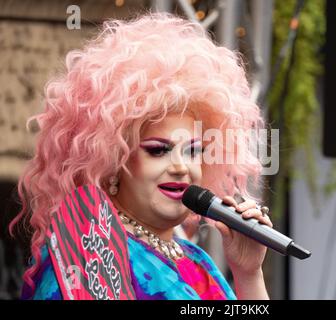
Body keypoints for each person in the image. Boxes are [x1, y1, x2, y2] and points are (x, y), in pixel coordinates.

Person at [10, 12, 272, 300]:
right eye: (158, 150)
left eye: (194, 151)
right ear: (113, 160)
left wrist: (248, 274)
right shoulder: (86, 260)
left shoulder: (197, 262)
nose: (181, 167)